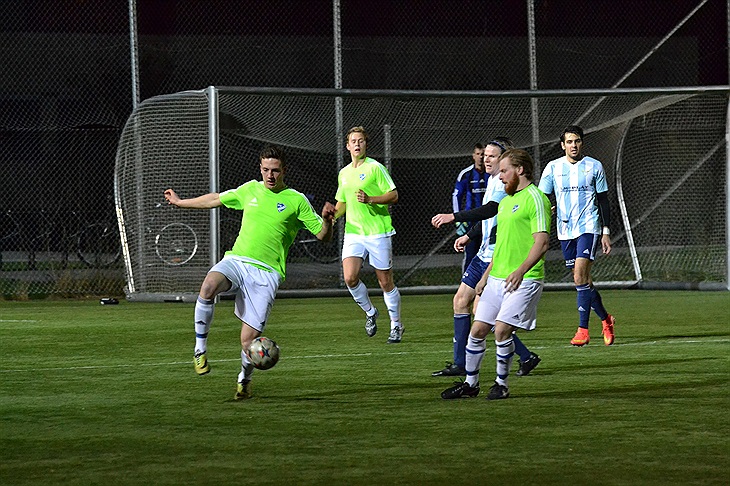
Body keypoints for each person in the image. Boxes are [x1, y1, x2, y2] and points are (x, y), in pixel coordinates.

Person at [164, 145, 335, 400]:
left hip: (267, 274)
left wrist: (328, 221)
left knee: (248, 343)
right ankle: (200, 350)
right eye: (265, 170)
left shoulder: (296, 200)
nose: (270, 175)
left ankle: (244, 380)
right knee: (208, 286)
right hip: (238, 260)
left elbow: (322, 236)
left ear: (284, 170)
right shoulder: (250, 189)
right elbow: (215, 199)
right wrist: (181, 202)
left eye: (275, 170)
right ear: (260, 168)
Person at [441, 148, 551, 400]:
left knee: (501, 330)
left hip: (525, 279)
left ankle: (501, 384)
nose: (500, 177)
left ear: (520, 170)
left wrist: (521, 270)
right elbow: (500, 245)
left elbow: (542, 242)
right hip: (497, 277)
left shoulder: (535, 198)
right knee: (478, 330)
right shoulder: (507, 201)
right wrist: (485, 277)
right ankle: (470, 384)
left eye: (504, 171)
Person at [538, 125, 615, 346]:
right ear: (563, 145)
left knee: (579, 276)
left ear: (582, 143)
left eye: (577, 141)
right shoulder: (553, 168)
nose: (574, 145)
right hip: (565, 230)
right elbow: (541, 197)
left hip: (588, 227)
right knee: (583, 280)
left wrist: (605, 231)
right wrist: (548, 208)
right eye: (569, 142)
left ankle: (583, 330)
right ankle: (606, 319)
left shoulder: (594, 166)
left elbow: (603, 200)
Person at [334, 126, 402, 343]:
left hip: (377, 232)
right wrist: (331, 216)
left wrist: (371, 199)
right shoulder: (344, 173)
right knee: (350, 278)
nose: (357, 144)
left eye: (361, 140)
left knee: (385, 282)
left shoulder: (375, 168)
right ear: (347, 146)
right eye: (353, 141)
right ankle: (371, 312)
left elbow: (393, 195)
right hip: (354, 233)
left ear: (365, 144)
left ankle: (396, 325)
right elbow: (342, 203)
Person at [452, 143, 488, 273]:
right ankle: (466, 281)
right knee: (471, 254)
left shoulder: (493, 174)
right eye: (478, 154)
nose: (481, 157)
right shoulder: (466, 174)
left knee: (489, 253)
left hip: (488, 219)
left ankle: (487, 282)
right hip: (472, 221)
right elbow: (456, 196)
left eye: (483, 154)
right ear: (473, 156)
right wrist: (458, 219)